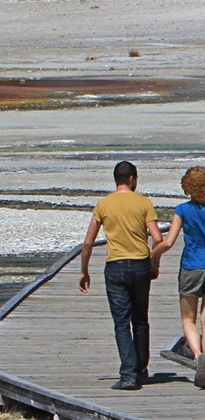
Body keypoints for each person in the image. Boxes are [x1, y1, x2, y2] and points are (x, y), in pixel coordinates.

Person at [78, 161, 162, 391]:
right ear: (132, 179)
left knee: (121, 322)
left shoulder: (103, 204)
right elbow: (157, 238)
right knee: (141, 319)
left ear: (117, 179)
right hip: (140, 265)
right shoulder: (143, 202)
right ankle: (141, 369)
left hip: (115, 267)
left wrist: (84, 271)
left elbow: (87, 243)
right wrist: (155, 262)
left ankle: (128, 374)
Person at [151, 167, 205, 389]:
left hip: (191, 268)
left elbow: (169, 242)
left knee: (188, 319)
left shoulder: (182, 210)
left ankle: (196, 355)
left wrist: (153, 256)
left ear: (187, 187)